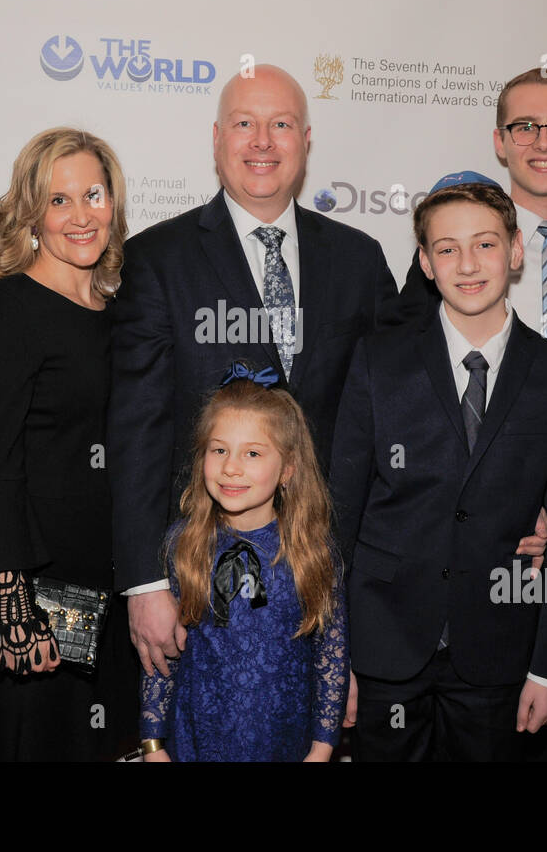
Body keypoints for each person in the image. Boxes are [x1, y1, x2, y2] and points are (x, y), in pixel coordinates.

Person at [108, 64, 398, 679]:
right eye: (245, 123)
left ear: (306, 140)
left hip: (329, 574)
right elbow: (137, 430)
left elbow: (403, 410)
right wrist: (142, 582)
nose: (262, 141)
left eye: (281, 124)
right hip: (197, 581)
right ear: (217, 139)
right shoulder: (158, 260)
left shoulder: (360, 260)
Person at [390, 68, 547, 760]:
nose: (544, 140)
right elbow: (406, 390)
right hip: (470, 536)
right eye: (526, 125)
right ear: (500, 141)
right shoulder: (451, 252)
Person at [331, 182, 547, 761]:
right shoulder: (380, 362)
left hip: (500, 654)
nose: (468, 264)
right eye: (447, 249)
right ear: (425, 263)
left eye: (485, 244)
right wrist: (334, 658)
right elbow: (339, 518)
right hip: (385, 650)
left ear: (517, 250)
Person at [0, 127, 138, 761]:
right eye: (59, 201)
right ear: (31, 214)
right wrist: (10, 601)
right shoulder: (7, 311)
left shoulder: (120, 309)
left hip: (111, 589)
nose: (80, 216)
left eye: (93, 195)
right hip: (38, 592)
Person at [139, 369, 347, 762]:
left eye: (252, 453)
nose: (231, 467)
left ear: (287, 469)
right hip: (195, 743)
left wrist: (321, 750)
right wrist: (153, 744)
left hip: (284, 743)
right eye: (219, 450)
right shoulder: (182, 544)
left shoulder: (313, 552)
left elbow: (330, 657)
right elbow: (160, 656)